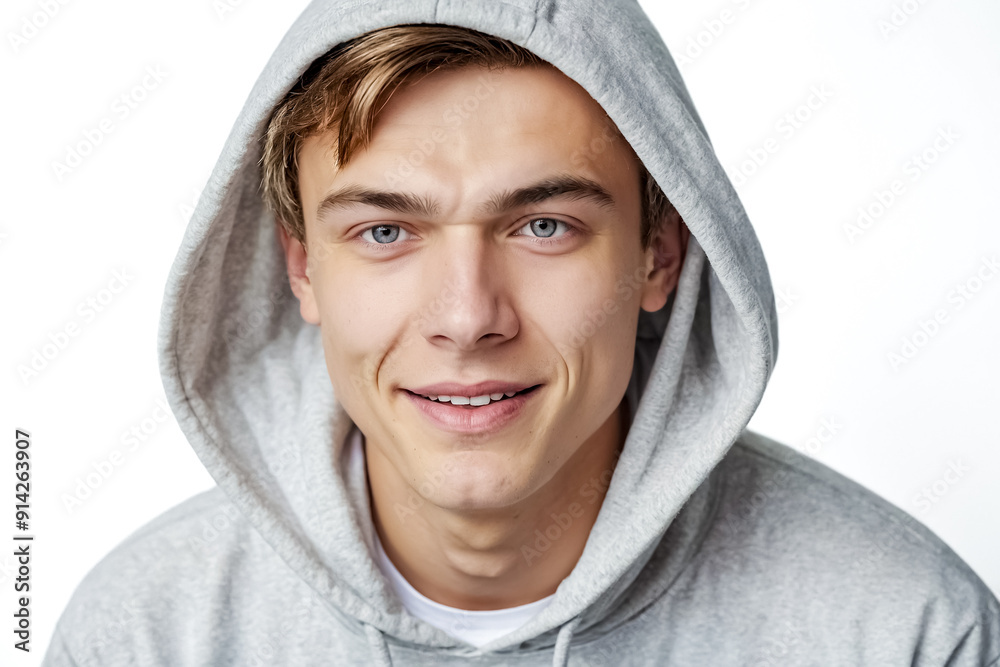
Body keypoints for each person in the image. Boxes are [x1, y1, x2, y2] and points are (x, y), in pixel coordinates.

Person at [44, 0, 999, 665]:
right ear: (302, 268)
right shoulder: (142, 635)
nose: (467, 317)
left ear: (660, 254)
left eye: (544, 225)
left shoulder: (902, 630)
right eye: (386, 231)